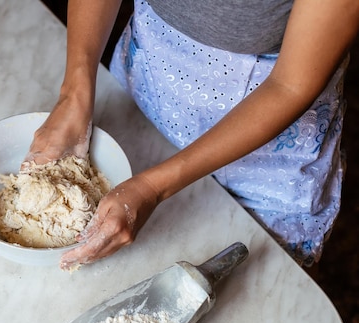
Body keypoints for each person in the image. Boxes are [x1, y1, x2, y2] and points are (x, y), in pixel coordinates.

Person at [25, 0, 359, 271]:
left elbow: (290, 85)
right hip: (147, 84)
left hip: (261, 154)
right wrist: (75, 93)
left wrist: (152, 187)